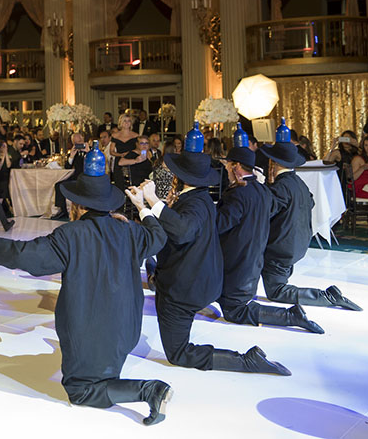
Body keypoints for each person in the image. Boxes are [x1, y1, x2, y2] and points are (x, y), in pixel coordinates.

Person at [0, 152, 173, 426]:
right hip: (126, 329)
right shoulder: (128, 230)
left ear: (78, 205)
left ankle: (149, 390)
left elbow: (30, 255)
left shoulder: (71, 235)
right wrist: (142, 207)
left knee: (79, 391)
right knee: (97, 374)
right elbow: (158, 236)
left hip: (90, 331)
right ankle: (110, 376)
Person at [125, 124, 291, 376]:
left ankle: (247, 361)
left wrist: (153, 202)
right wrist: (144, 207)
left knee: (178, 353)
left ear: (180, 176)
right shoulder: (200, 199)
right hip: (205, 285)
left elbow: (182, 231)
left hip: (184, 291)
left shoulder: (195, 205)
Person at [215, 146, 324, 334]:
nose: (225, 169)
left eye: (227, 165)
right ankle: (311, 304)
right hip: (263, 256)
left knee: (238, 309)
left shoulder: (242, 193)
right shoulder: (265, 190)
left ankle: (292, 315)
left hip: (249, 259)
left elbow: (221, 225)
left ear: (236, 166)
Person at [260, 126, 362, 311]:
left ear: (273, 162)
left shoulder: (280, 188)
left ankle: (327, 297)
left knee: (276, 291)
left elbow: (264, 214)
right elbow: (311, 202)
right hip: (297, 245)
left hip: (281, 250)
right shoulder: (298, 183)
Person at [51, 132, 87, 220]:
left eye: (79, 142)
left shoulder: (90, 150)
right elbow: (68, 166)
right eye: (76, 143)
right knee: (59, 185)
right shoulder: (74, 152)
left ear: (83, 140)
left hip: (86, 178)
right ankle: (62, 210)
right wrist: (71, 156)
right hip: (76, 177)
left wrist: (87, 152)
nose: (78, 144)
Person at [109, 114, 139, 187]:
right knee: (119, 184)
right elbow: (111, 151)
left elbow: (139, 149)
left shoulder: (136, 135)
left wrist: (131, 154)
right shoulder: (115, 135)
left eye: (129, 121)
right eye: (124, 121)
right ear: (120, 123)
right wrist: (121, 155)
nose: (126, 123)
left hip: (132, 162)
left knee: (133, 184)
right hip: (119, 162)